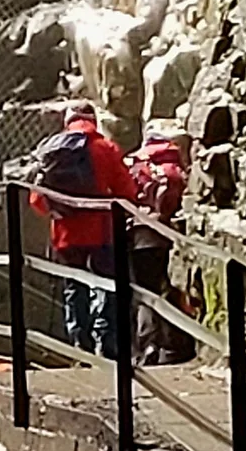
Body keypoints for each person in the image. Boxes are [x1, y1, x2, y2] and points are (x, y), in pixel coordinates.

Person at [29, 99, 139, 355]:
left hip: (66, 234)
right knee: (105, 284)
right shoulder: (105, 148)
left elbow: (35, 199)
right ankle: (106, 343)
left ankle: (80, 342)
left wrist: (60, 212)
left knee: (74, 286)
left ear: (67, 123)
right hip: (101, 230)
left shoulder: (51, 150)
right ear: (94, 121)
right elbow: (128, 192)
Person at [131, 128, 190, 359]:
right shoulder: (175, 167)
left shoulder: (135, 163)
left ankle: (148, 346)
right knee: (170, 291)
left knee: (145, 293)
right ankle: (171, 346)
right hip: (168, 236)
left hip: (139, 236)